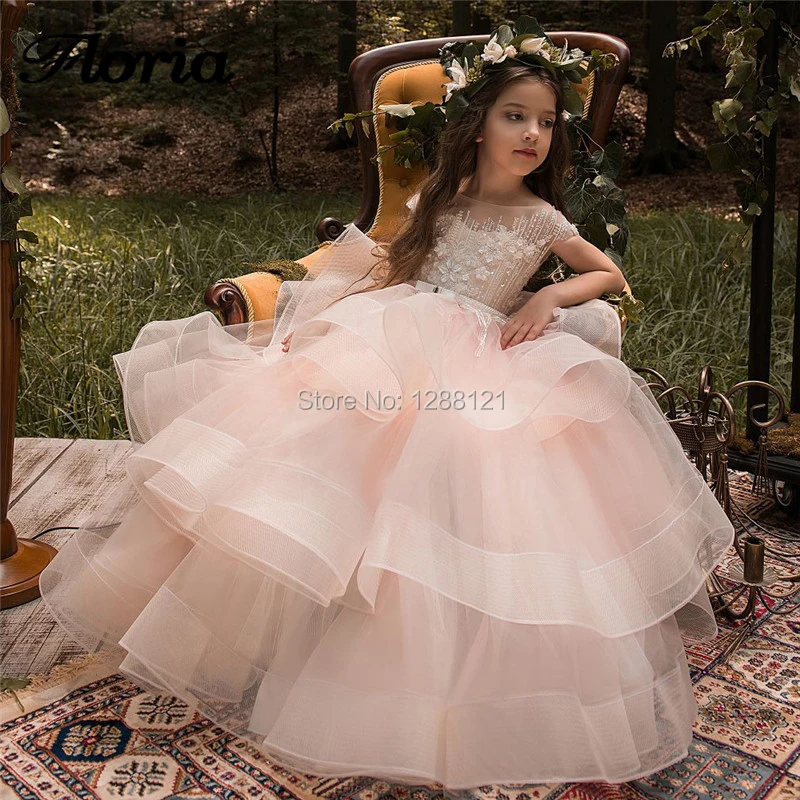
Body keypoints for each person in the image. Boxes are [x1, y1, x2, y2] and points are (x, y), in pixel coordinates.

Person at [39, 21, 735, 793]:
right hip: (397, 328)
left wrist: (549, 299)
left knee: (461, 457)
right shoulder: (445, 196)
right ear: (478, 126)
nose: (533, 134)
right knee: (316, 435)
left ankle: (423, 655)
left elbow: (607, 274)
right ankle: (295, 617)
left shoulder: (542, 218)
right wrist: (322, 321)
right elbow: (394, 269)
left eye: (546, 121)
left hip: (474, 352)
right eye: (516, 116)